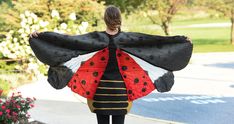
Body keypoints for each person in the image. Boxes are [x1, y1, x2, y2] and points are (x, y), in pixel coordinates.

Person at [29, 5, 192, 124]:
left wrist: (41, 37)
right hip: (120, 93)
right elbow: (155, 43)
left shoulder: (95, 38)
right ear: (119, 20)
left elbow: (68, 41)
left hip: (101, 93)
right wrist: (181, 41)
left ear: (105, 19)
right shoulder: (129, 39)